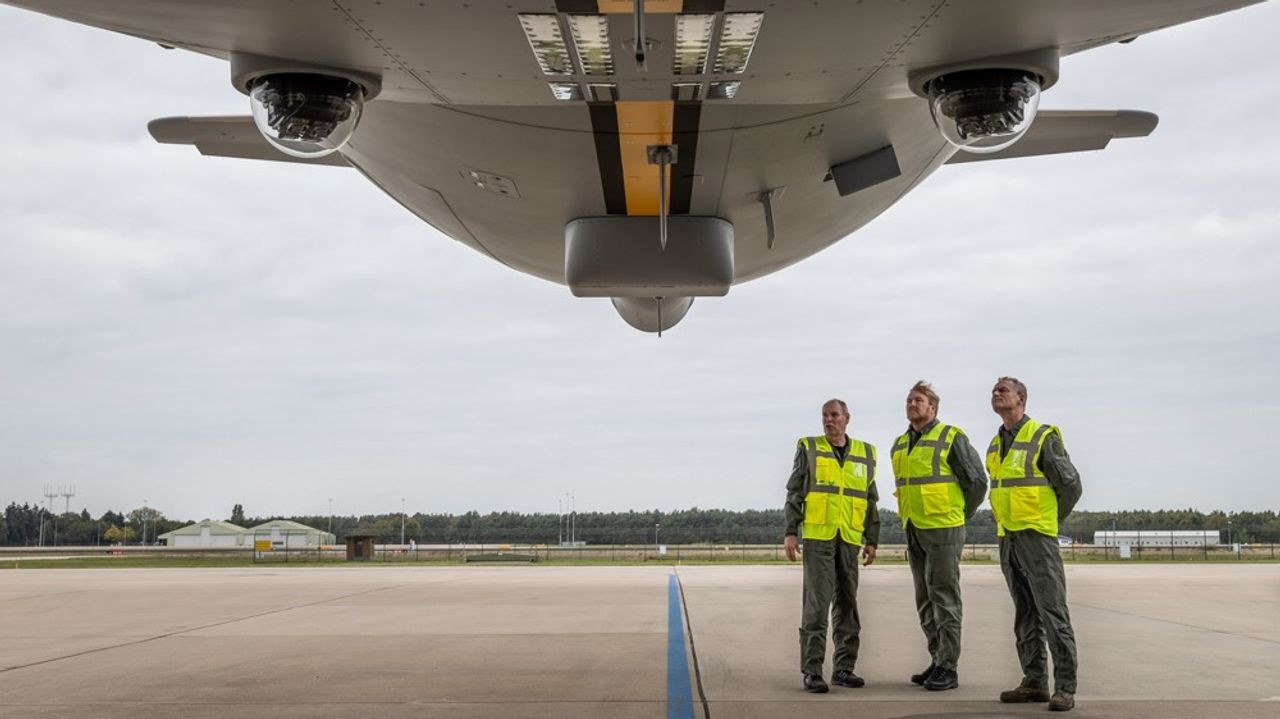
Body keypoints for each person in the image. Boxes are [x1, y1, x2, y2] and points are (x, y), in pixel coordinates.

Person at [988, 377, 1082, 712]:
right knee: (1025, 613)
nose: (996, 394)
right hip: (1008, 537)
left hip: (1037, 537)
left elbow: (1070, 485)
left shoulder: (1042, 437)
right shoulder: (995, 444)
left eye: (1004, 390)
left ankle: (1065, 688)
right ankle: (1034, 682)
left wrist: (1050, 521)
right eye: (994, 390)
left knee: (1052, 610)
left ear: (1021, 398)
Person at [890, 381, 986, 691]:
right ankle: (936, 657)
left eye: (918, 400)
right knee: (924, 599)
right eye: (908, 400)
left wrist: (958, 515)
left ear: (933, 408)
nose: (912, 404)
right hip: (914, 528)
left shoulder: (951, 438)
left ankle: (949, 666)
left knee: (944, 597)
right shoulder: (900, 444)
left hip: (943, 528)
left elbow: (977, 483)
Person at [784, 399, 880, 693]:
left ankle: (844, 668)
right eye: (825, 416)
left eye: (834, 415)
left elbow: (870, 499)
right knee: (816, 605)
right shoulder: (809, 448)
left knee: (847, 604)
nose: (828, 420)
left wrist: (871, 538)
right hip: (818, 538)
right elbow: (795, 491)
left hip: (850, 538)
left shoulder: (865, 453)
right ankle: (812, 671)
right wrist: (791, 530)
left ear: (846, 418)